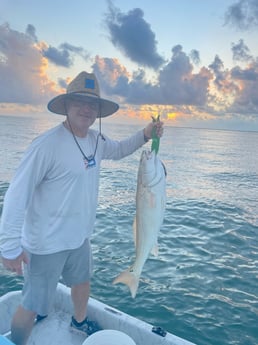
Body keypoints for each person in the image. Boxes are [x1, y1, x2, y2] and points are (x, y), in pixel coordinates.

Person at [0, 71, 163, 345]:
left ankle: (79, 321)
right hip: (45, 245)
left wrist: (146, 134)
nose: (87, 109)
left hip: (79, 238)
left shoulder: (96, 141)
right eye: (79, 102)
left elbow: (121, 149)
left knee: (82, 283)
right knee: (32, 304)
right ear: (66, 106)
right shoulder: (46, 145)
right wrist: (8, 247)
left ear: (99, 111)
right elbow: (17, 195)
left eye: (93, 105)